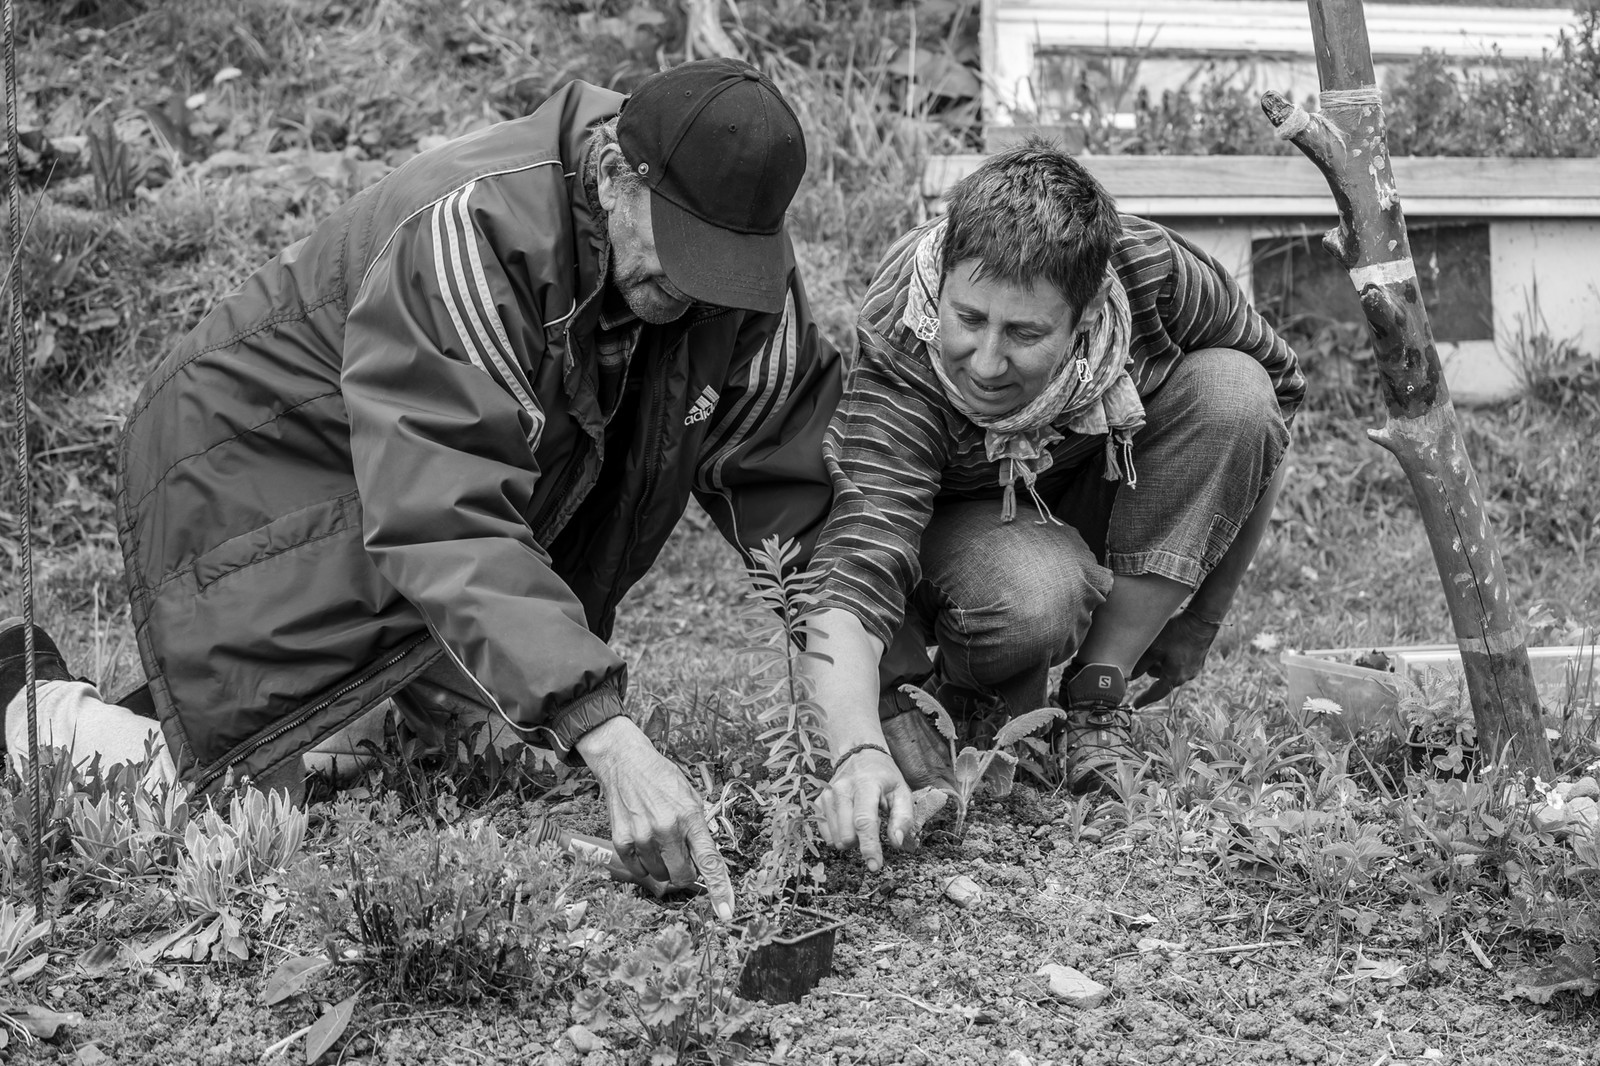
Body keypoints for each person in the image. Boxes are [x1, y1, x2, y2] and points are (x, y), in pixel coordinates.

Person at [0, 58, 843, 921]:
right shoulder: (471, 234)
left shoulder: (731, 267)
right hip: (265, 462)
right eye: (683, 258)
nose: (696, 292)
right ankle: (26, 703)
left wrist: (875, 708)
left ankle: (357, 719)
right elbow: (446, 514)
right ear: (616, 175)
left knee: (488, 758)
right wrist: (605, 727)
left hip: (405, 485)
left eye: (723, 267)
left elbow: (794, 480)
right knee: (235, 820)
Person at [805, 140, 1303, 870]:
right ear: (942, 281)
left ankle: (1097, 695)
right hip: (963, 524)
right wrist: (855, 748)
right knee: (1039, 591)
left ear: (1090, 309)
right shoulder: (905, 346)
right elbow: (859, 559)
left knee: (1235, 389)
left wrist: (1201, 617)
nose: (984, 361)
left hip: (1098, 479)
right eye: (969, 318)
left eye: (1025, 333)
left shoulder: (1156, 276)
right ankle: (968, 685)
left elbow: (1275, 408)